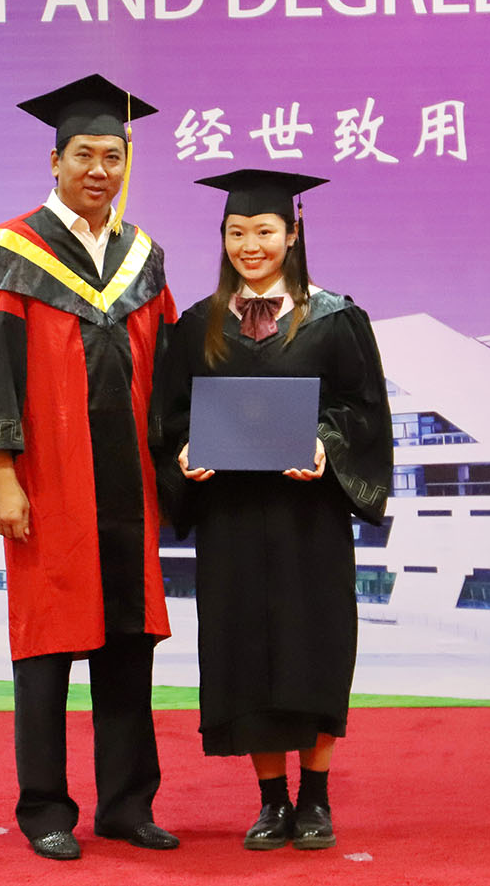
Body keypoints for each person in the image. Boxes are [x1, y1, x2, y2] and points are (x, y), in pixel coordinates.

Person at [0, 74, 178, 861]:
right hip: (49, 483)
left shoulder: (142, 258)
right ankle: (45, 807)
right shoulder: (11, 254)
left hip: (128, 484)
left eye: (112, 156)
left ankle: (125, 805)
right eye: (83, 154)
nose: (98, 170)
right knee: (45, 649)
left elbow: (169, 373)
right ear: (55, 161)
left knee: (127, 648)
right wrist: (2, 475)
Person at [153, 169, 393, 850]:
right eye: (237, 233)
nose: (250, 246)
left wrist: (324, 444)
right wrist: (185, 453)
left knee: (312, 647)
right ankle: (270, 802)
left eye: (264, 231)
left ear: (292, 233)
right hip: (230, 520)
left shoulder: (335, 319)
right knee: (244, 654)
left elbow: (364, 412)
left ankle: (314, 798)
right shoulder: (197, 324)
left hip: (306, 520)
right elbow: (168, 416)